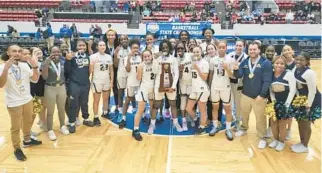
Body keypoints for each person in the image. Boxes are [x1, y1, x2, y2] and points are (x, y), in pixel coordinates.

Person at [0, 45, 42, 161]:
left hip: (27, 100)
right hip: (14, 103)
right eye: (14, 51)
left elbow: (35, 79)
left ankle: (27, 140)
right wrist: (6, 69)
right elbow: (1, 85)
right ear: (8, 53)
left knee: (28, 122)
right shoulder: (2, 67)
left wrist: (34, 66)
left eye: (19, 51)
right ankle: (17, 149)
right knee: (16, 127)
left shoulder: (24, 65)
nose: (17, 53)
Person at [233, 41, 273, 149]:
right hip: (245, 94)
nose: (252, 51)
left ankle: (262, 137)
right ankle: (243, 128)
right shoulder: (245, 62)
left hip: (259, 97)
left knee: (260, 118)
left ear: (259, 50)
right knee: (244, 114)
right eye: (250, 49)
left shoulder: (265, 63)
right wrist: (236, 70)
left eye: (254, 49)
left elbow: (267, 81)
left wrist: (262, 95)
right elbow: (239, 75)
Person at [292, 52, 321, 153]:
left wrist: (308, 105)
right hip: (301, 100)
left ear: (307, 61)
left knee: (306, 123)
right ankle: (301, 142)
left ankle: (305, 145)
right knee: (300, 122)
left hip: (311, 101)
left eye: (302, 60)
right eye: (297, 59)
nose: (298, 61)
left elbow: (312, 91)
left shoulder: (309, 73)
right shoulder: (296, 69)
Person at [151, 39, 181, 133]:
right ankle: (152, 125)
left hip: (170, 85)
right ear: (160, 49)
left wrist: (173, 86)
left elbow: (176, 74)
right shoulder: (157, 59)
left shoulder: (173, 59)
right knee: (156, 105)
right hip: (159, 85)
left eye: (166, 47)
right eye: (163, 47)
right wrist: (155, 59)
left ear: (169, 48)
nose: (165, 49)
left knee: (173, 104)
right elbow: (155, 71)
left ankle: (176, 123)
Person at [65, 39, 94, 133]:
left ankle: (86, 119)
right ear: (76, 47)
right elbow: (67, 71)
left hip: (85, 83)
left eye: (83, 46)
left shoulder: (88, 56)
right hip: (74, 83)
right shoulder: (72, 56)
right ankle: (72, 122)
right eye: (79, 46)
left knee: (84, 102)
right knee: (73, 104)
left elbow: (89, 70)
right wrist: (68, 60)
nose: (82, 47)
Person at [268, 56, 296, 151]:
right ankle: (275, 140)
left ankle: (281, 142)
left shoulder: (289, 74)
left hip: (285, 104)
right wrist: (273, 102)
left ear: (284, 65)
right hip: (275, 103)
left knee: (282, 124)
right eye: (277, 63)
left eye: (282, 63)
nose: (279, 65)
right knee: (273, 122)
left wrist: (286, 105)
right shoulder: (270, 74)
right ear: (273, 64)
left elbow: (292, 90)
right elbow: (271, 90)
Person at [42, 46, 69, 140]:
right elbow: (44, 77)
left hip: (61, 87)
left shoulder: (63, 62)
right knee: (50, 111)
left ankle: (62, 126)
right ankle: (50, 130)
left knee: (61, 108)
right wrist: (46, 64)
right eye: (54, 52)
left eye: (58, 52)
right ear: (50, 53)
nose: (56, 53)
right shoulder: (46, 62)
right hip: (50, 88)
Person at [208, 41, 234, 140]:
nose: (221, 49)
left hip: (225, 87)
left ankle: (228, 129)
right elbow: (211, 74)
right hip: (215, 87)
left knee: (228, 109)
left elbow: (232, 76)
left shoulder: (230, 60)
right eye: (220, 47)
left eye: (223, 47)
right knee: (215, 108)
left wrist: (227, 69)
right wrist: (209, 87)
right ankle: (215, 126)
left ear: (226, 48)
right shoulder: (213, 60)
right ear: (217, 48)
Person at [185, 46, 210, 135]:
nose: (195, 53)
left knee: (202, 110)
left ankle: (202, 127)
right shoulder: (192, 62)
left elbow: (205, 77)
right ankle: (196, 119)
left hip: (202, 89)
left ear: (201, 52)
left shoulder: (205, 63)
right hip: (194, 88)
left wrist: (197, 69)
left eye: (197, 52)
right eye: (194, 52)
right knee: (188, 108)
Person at [119, 39, 142, 129]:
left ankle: (143, 116)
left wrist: (142, 57)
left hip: (140, 82)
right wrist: (129, 58)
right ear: (130, 48)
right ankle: (123, 118)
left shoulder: (141, 57)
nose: (135, 49)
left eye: (137, 48)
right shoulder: (126, 58)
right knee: (127, 100)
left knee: (141, 101)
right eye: (133, 48)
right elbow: (128, 69)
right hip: (131, 82)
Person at [89, 41, 114, 125]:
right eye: (100, 45)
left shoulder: (109, 57)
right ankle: (96, 117)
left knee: (106, 98)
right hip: (97, 81)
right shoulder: (92, 57)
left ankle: (105, 113)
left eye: (104, 45)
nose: (102, 46)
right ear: (97, 47)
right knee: (96, 100)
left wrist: (112, 81)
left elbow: (111, 70)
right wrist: (92, 64)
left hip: (106, 80)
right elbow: (90, 71)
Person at [132, 50, 155, 140]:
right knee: (140, 110)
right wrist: (139, 69)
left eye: (148, 56)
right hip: (144, 89)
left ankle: (152, 124)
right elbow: (138, 78)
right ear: (142, 58)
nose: (147, 58)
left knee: (153, 108)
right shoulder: (141, 65)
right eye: (145, 57)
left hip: (153, 89)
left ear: (151, 56)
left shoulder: (156, 64)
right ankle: (135, 130)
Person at [228, 40, 247, 130]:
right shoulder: (229, 56)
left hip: (240, 84)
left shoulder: (246, 58)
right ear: (234, 46)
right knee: (230, 103)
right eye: (237, 45)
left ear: (244, 47)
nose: (238, 47)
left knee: (238, 104)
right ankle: (231, 119)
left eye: (240, 46)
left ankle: (238, 121)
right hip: (230, 82)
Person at [112, 35, 130, 118]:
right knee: (120, 93)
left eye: (125, 39)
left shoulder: (131, 49)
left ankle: (134, 109)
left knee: (131, 94)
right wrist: (115, 54)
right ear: (120, 41)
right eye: (122, 39)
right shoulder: (118, 50)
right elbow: (115, 65)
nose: (123, 40)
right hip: (121, 74)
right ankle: (120, 110)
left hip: (130, 74)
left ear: (127, 39)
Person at [281, 45, 296, 140]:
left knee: (290, 112)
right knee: (283, 111)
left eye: (288, 50)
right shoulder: (282, 62)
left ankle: (289, 130)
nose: (287, 52)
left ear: (292, 51)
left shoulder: (298, 61)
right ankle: (282, 129)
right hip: (283, 90)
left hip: (294, 90)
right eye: (284, 50)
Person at [176, 42, 192, 130]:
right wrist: (180, 71)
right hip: (182, 83)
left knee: (190, 103)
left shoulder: (190, 55)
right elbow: (178, 77)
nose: (180, 50)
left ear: (184, 49)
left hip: (191, 82)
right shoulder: (176, 60)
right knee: (183, 103)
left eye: (182, 48)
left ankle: (190, 117)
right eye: (178, 49)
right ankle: (184, 120)